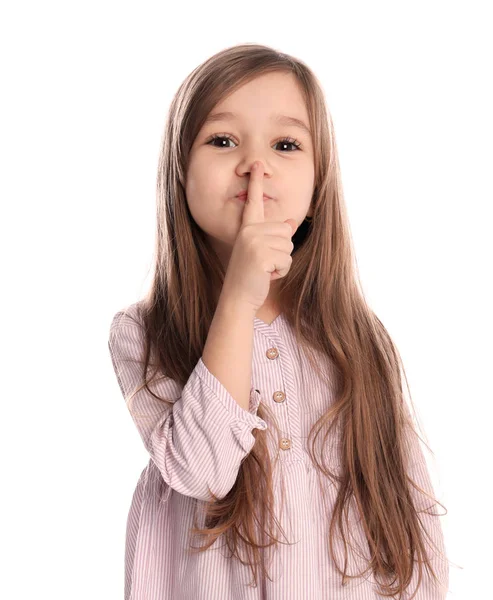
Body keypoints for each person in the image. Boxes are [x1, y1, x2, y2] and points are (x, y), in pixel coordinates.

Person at [108, 43, 450, 600]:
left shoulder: (357, 339)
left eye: (286, 144)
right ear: (180, 172)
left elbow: (414, 523)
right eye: (222, 141)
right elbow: (201, 470)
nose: (256, 165)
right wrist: (239, 301)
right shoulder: (143, 331)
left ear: (317, 188)